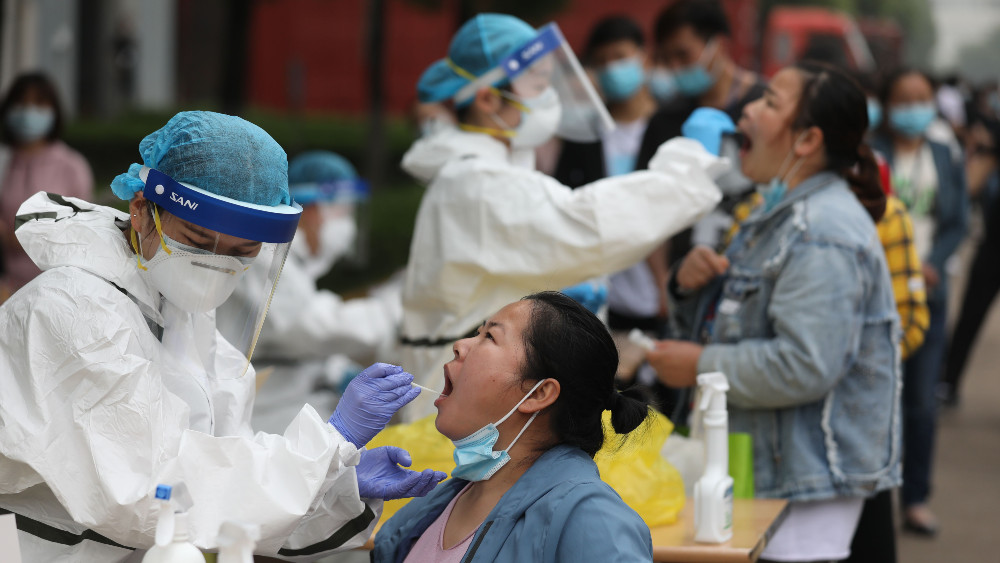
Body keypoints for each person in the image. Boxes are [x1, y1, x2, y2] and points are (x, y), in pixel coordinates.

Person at [0, 111, 445, 561]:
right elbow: (148, 494)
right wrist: (326, 444)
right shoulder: (73, 307)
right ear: (140, 211)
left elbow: (222, 460)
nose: (216, 265)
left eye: (242, 253)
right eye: (197, 239)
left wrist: (332, 488)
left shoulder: (179, 309)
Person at [398, 13, 727, 420]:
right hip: (463, 395)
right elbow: (589, 224)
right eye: (537, 85)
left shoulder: (482, 172)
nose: (549, 97)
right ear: (487, 99)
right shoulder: (479, 183)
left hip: (472, 386)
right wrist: (689, 167)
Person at [648, 62, 900, 563]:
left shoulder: (821, 231)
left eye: (769, 102)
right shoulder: (773, 214)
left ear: (806, 140)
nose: (747, 110)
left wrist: (700, 365)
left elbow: (805, 364)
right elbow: (739, 327)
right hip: (768, 467)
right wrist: (687, 285)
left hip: (805, 485)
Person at [373, 291, 654, 561]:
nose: (460, 345)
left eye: (490, 337)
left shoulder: (590, 519)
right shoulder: (430, 508)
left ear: (538, 394)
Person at [219, 150, 403, 434]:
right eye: (345, 211)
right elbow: (307, 326)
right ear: (312, 208)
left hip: (273, 399)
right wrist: (395, 307)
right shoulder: (266, 257)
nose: (348, 225)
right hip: (261, 412)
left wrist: (336, 370)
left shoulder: (290, 261)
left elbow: (285, 343)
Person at [871, 68, 969, 537]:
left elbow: (957, 221)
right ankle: (871, 496)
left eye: (922, 98)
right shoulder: (870, 153)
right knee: (877, 399)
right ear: (887, 105)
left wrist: (931, 263)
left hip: (929, 292)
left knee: (922, 404)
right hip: (880, 293)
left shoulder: (944, 153)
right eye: (903, 98)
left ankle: (915, 498)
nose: (913, 107)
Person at [553, 16, 669, 365]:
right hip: (600, 299)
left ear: (644, 57)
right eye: (601, 63)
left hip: (659, 298)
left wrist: (668, 286)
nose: (611, 70)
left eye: (620, 57)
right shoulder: (583, 134)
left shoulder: (672, 128)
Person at [634, 0, 767, 265]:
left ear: (717, 44)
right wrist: (665, 288)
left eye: (683, 55)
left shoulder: (764, 108)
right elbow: (650, 210)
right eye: (666, 58)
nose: (675, 67)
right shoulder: (664, 120)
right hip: (685, 278)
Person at [0, 71, 93, 300]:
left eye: (38, 103)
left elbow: (84, 230)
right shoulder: (3, 162)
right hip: (6, 290)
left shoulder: (72, 166)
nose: (28, 111)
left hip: (57, 292)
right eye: (21, 103)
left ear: (54, 110)